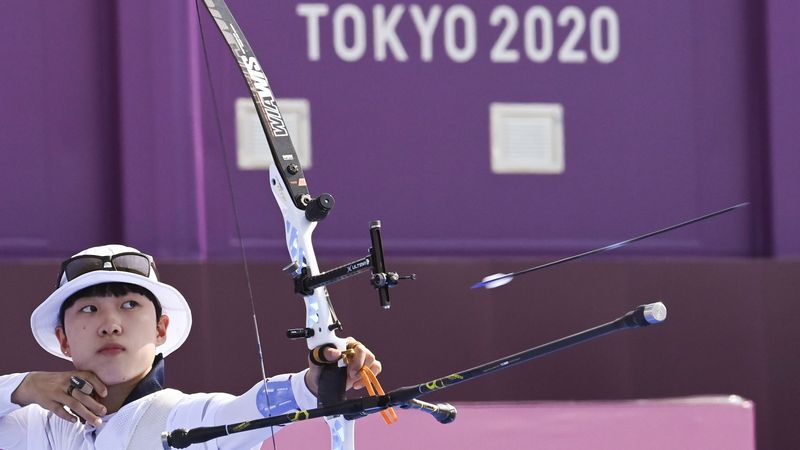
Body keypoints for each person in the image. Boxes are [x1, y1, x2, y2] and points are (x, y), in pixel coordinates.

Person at [0, 244, 380, 449]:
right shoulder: (37, 428)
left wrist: (313, 384)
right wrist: (24, 386)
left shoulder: (189, 417)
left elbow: (251, 408)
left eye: (130, 305)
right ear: (63, 339)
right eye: (89, 309)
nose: (111, 324)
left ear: (161, 328)